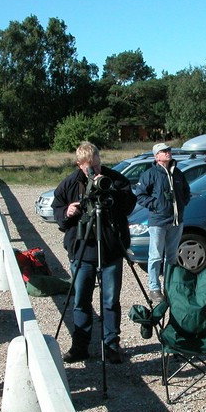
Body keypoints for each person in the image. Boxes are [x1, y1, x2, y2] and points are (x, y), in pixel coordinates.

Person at [52, 142, 137, 364]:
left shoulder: (114, 179)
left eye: (98, 166)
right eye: (90, 168)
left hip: (110, 249)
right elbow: (57, 209)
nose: (95, 171)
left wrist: (111, 192)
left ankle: (111, 345)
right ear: (80, 165)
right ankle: (80, 346)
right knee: (81, 299)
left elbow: (130, 204)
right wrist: (66, 211)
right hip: (82, 249)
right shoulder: (70, 184)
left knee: (110, 300)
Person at [135, 143, 191, 303]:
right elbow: (140, 195)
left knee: (172, 256)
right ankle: (154, 288)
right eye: (164, 151)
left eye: (169, 150)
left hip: (176, 221)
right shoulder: (150, 174)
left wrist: (182, 203)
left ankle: (170, 286)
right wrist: (157, 205)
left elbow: (187, 192)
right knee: (155, 256)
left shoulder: (178, 173)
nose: (168, 153)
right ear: (156, 156)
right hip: (158, 222)